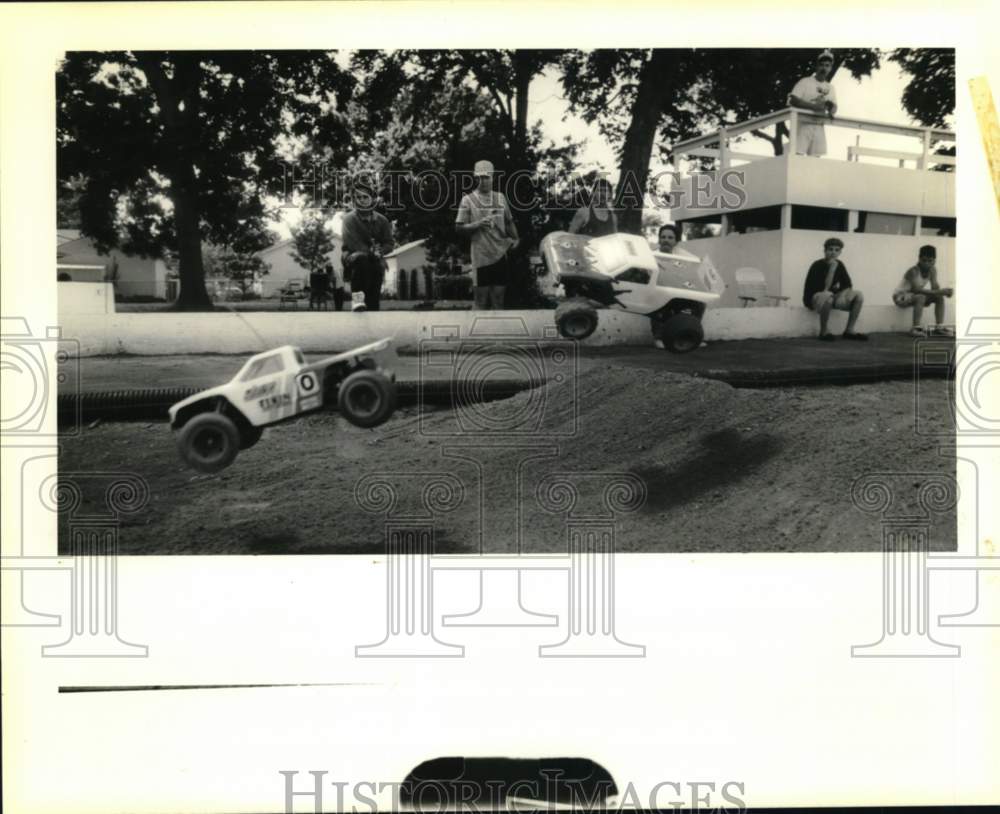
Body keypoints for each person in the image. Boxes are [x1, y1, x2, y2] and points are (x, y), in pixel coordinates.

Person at [455, 159, 519, 310]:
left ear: (493, 177)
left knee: (498, 300)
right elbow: (458, 227)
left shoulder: (500, 198)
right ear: (475, 178)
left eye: (486, 177)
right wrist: (477, 224)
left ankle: (497, 332)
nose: (483, 181)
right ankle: (478, 333)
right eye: (479, 177)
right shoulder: (468, 200)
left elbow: (509, 222)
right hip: (481, 255)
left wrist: (516, 238)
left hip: (500, 254)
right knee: (481, 301)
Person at [341, 180, 393, 311]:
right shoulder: (349, 219)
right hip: (353, 255)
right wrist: (374, 254)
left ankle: (372, 304)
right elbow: (353, 243)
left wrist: (381, 251)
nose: (362, 200)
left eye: (365, 197)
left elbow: (389, 243)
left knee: (376, 268)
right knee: (361, 259)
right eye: (358, 197)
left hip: (375, 256)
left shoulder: (382, 220)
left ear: (372, 199)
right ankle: (358, 301)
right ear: (354, 200)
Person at [802, 237, 867, 341]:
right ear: (825, 251)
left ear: (840, 252)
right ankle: (823, 332)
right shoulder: (817, 265)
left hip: (832, 296)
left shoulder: (840, 264)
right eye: (830, 249)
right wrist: (832, 270)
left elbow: (847, 284)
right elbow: (824, 289)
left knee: (858, 295)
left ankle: (849, 331)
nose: (833, 252)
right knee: (828, 296)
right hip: (814, 297)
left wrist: (842, 295)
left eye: (837, 250)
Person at [893, 245, 954, 336]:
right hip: (900, 297)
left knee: (939, 298)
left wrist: (945, 292)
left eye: (930, 261)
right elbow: (916, 289)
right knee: (921, 297)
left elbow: (935, 288)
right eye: (924, 260)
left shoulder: (932, 270)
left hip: (914, 296)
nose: (926, 263)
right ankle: (915, 328)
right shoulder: (913, 271)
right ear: (919, 259)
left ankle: (939, 328)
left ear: (934, 261)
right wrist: (940, 292)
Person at [788, 50, 838, 157]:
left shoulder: (830, 88)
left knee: (815, 160)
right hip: (803, 125)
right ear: (816, 66)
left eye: (827, 66)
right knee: (797, 156)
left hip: (818, 125)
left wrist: (830, 107)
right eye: (821, 65)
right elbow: (793, 100)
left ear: (830, 68)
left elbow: (834, 107)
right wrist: (813, 106)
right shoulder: (805, 82)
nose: (824, 68)